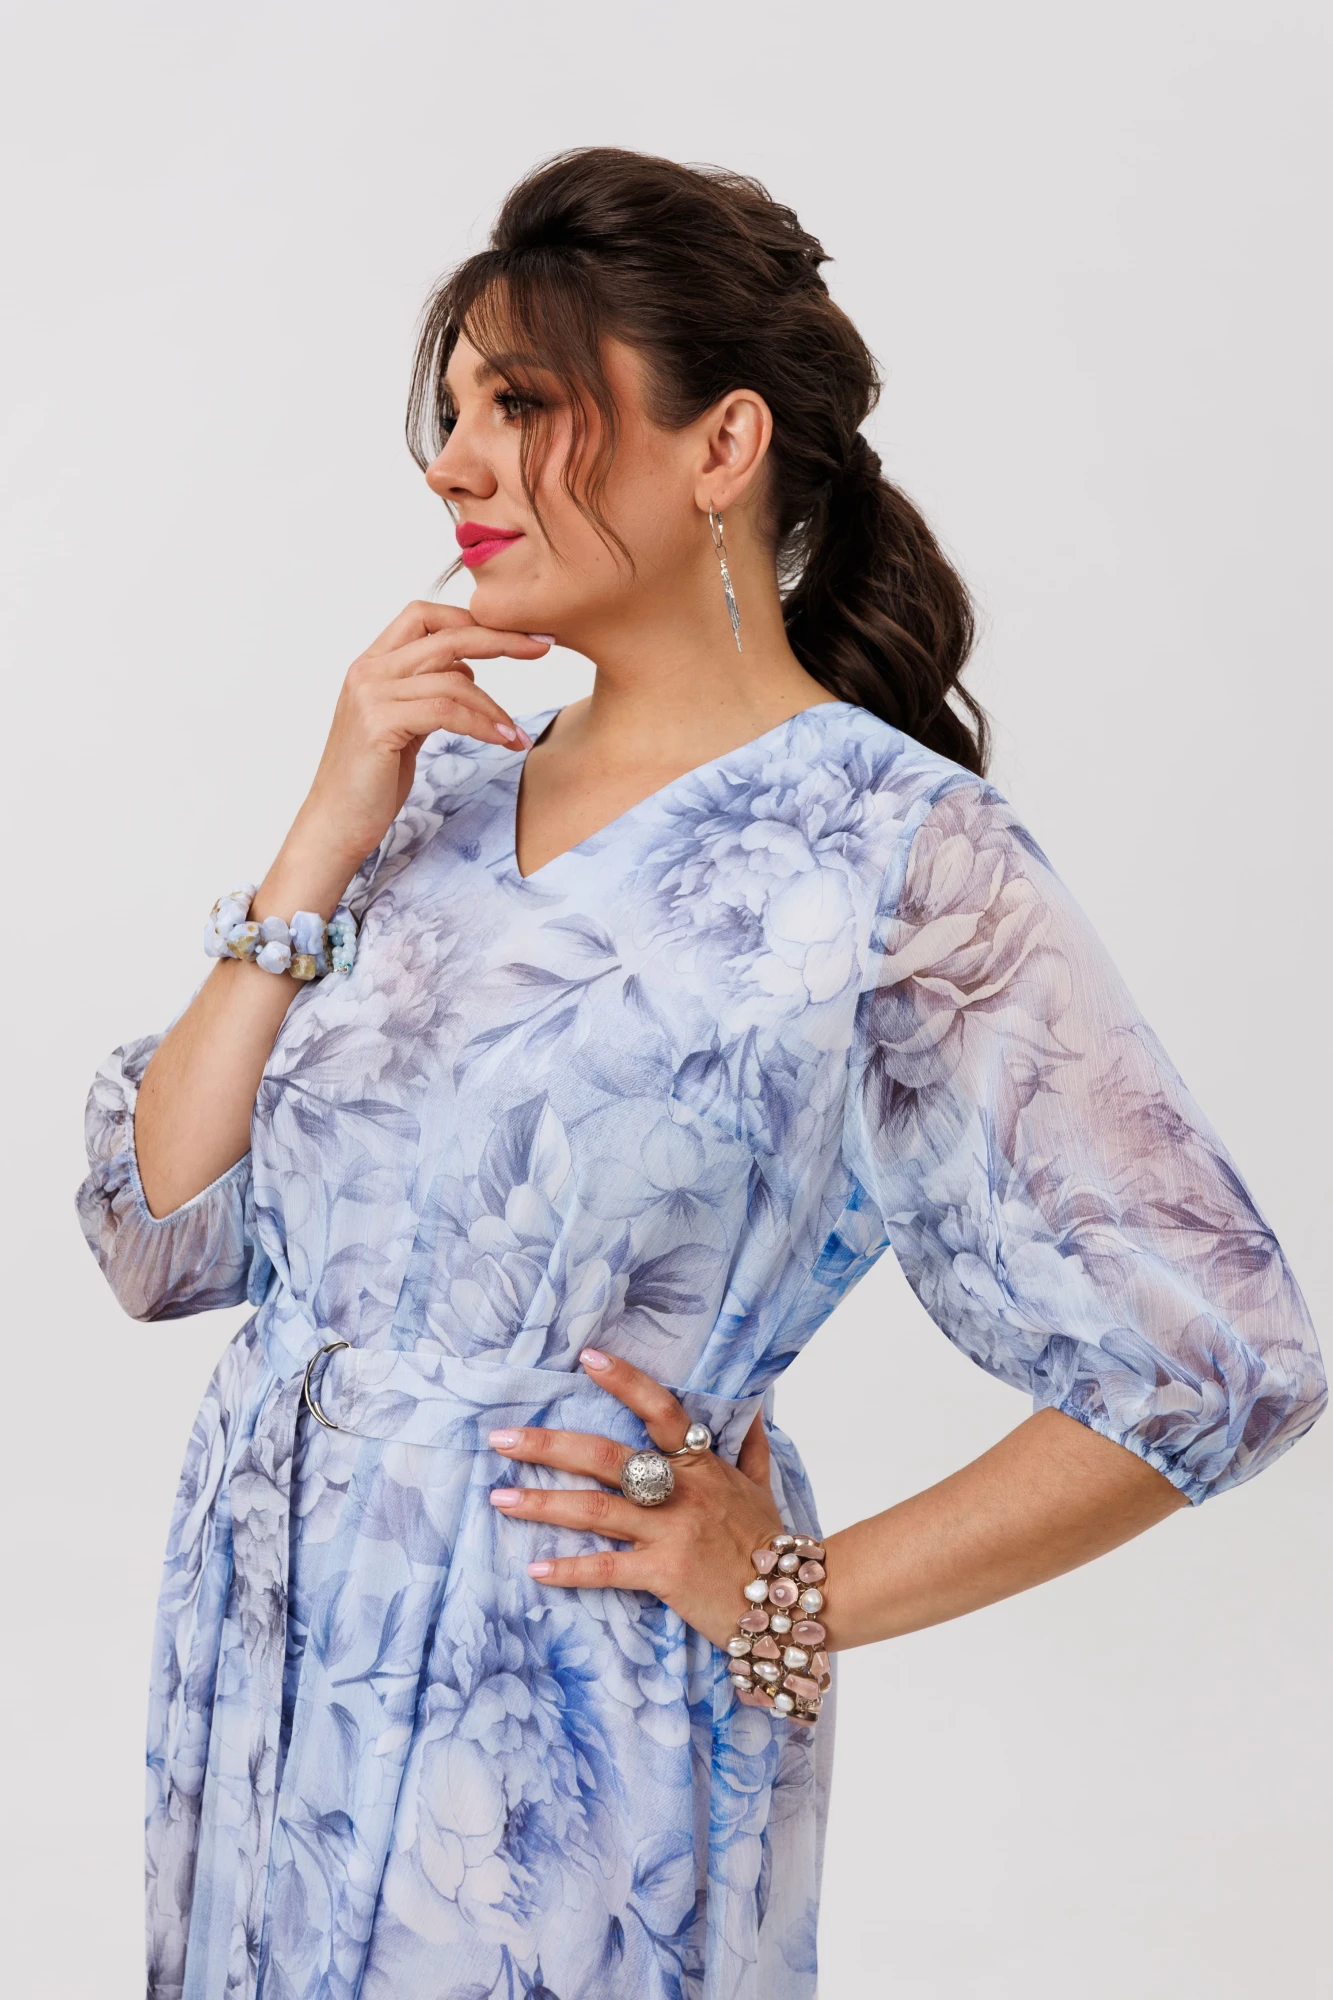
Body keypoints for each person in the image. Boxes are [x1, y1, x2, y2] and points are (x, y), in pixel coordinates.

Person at [77, 146, 1324, 2000]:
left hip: (554, 1725)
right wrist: (319, 838)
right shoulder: (427, 797)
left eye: (523, 406)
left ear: (723, 444)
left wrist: (797, 1594)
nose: (454, 465)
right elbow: (155, 1240)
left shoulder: (893, 854)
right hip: (264, 1679)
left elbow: (1224, 1358)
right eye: (452, 414)